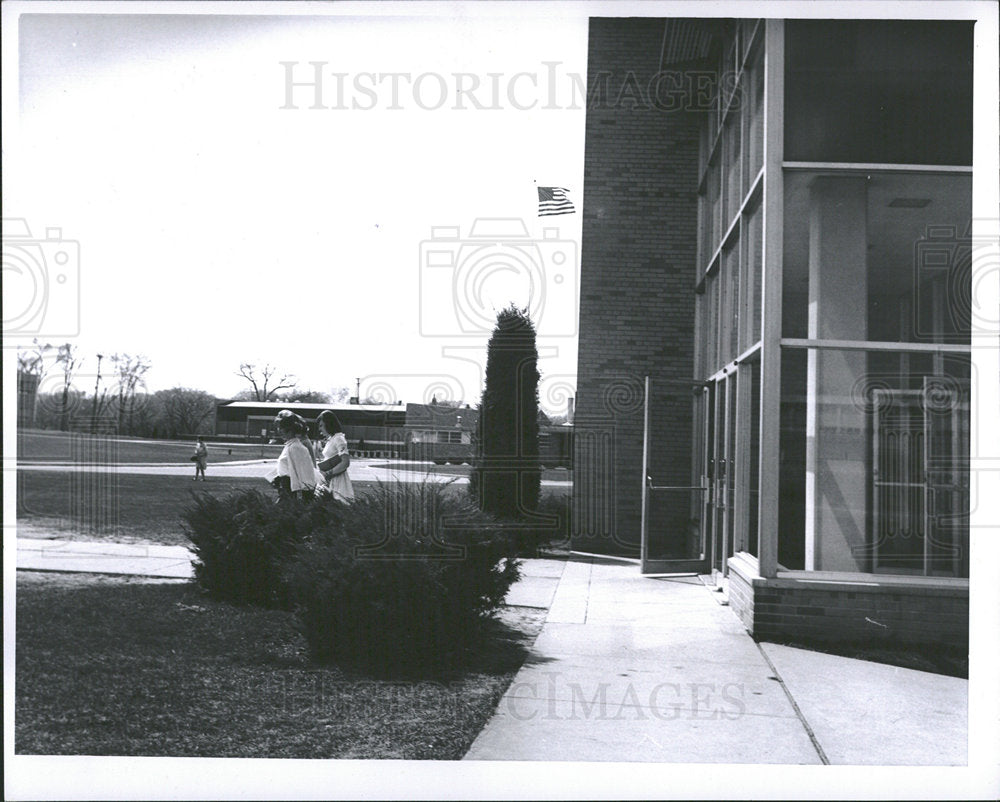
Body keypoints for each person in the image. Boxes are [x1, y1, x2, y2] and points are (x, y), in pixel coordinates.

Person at [270, 410, 322, 501]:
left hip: (290, 491)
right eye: (279, 427)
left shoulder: (296, 447)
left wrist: (305, 497)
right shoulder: (289, 445)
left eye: (282, 428)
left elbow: (305, 474)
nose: (279, 431)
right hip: (284, 489)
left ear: (291, 429)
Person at [316, 409, 354, 502]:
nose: (319, 429)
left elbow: (345, 462)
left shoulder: (339, 438)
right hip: (329, 478)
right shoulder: (332, 439)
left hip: (338, 480)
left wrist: (328, 473)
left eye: (321, 425)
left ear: (328, 424)